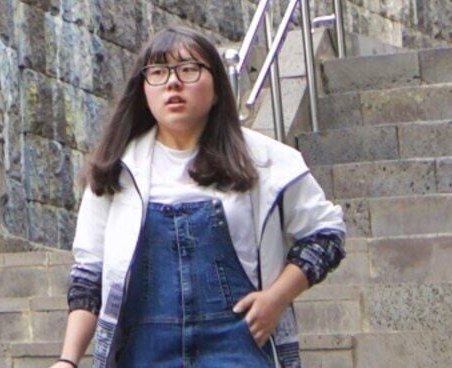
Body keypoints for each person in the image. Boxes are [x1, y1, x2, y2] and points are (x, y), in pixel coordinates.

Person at [54, 27, 344, 368]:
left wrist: (276, 299)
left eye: (188, 69)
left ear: (217, 86)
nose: (173, 84)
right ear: (143, 89)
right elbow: (89, 273)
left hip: (240, 347)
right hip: (144, 353)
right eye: (158, 72)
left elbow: (326, 234)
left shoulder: (268, 161)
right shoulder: (116, 170)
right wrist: (68, 360)